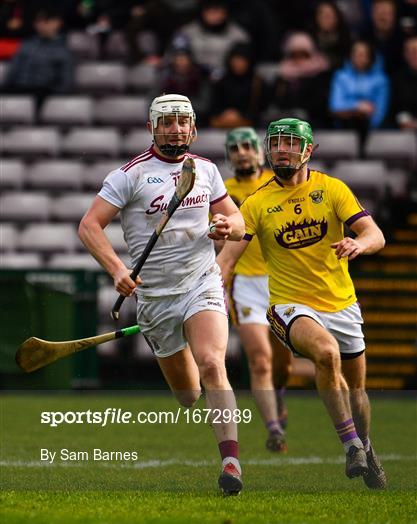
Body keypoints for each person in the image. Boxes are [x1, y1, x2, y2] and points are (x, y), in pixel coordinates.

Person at [78, 94, 245, 495]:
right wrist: (118, 270)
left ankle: (231, 462)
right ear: (152, 127)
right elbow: (89, 226)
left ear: (193, 127)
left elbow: (238, 220)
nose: (175, 128)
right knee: (188, 395)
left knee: (212, 362)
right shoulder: (129, 175)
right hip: (155, 297)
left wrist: (227, 228)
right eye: (166, 122)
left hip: (200, 282)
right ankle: (183, 349)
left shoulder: (205, 169)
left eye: (182, 121)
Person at [217, 118, 387, 489]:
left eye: (291, 143)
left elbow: (375, 233)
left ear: (309, 150)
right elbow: (227, 261)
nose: (282, 150)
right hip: (288, 305)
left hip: (341, 302)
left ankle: (367, 445)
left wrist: (359, 244)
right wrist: (203, 289)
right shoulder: (258, 202)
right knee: (326, 355)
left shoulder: (332, 189)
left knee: (357, 391)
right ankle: (351, 446)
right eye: (276, 143)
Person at [221, 127, 292, 452]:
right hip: (245, 284)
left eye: (248, 145)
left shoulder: (279, 185)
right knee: (260, 360)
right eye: (235, 147)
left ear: (259, 151)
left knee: (282, 364)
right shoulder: (221, 191)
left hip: (284, 280)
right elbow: (218, 239)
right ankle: (274, 429)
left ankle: (278, 393)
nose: (242, 152)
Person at [3, 9, 74, 107]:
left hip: (43, 92)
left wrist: (54, 97)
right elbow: (12, 73)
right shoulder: (25, 45)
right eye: (38, 21)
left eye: (46, 21)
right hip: (19, 88)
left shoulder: (63, 51)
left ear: (57, 23)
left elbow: (65, 82)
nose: (41, 24)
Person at [329, 39, 389, 147]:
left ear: (370, 57)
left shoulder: (380, 79)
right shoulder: (341, 76)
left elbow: (380, 111)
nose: (359, 57)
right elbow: (335, 106)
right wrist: (358, 106)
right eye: (355, 53)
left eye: (363, 54)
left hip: (370, 127)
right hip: (343, 124)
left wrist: (371, 126)